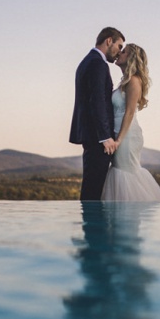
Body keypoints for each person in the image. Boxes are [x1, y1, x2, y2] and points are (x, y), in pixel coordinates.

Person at [101, 44, 160, 201]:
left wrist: (119, 140)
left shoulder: (134, 81)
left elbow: (130, 112)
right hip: (119, 134)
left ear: (131, 58)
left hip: (127, 136)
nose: (119, 54)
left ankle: (129, 218)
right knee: (119, 172)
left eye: (123, 52)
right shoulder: (124, 82)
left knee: (125, 173)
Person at [70, 27, 125, 201]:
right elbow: (97, 101)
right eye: (119, 46)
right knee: (93, 189)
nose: (119, 52)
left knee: (91, 187)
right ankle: (93, 228)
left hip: (91, 135)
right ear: (109, 41)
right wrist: (104, 136)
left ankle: (92, 226)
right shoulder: (97, 63)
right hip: (97, 138)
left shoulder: (89, 60)